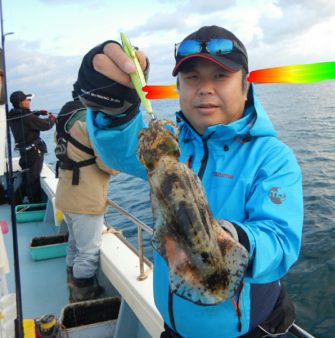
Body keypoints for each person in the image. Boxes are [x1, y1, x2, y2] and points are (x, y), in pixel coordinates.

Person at [74, 25, 303, 337]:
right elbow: (119, 151)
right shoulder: (167, 145)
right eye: (192, 77)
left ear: (245, 86)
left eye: (220, 76)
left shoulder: (272, 157)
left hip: (246, 329)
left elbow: (280, 240)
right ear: (178, 87)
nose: (205, 88)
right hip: (172, 326)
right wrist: (114, 110)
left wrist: (225, 238)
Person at [54, 93, 118, 302]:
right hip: (86, 198)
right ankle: (83, 297)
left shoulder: (65, 114)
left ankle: (72, 287)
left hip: (66, 194)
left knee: (74, 245)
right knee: (88, 253)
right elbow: (107, 165)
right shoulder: (87, 119)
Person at [8, 91, 55, 203]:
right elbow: (47, 125)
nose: (28, 102)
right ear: (21, 102)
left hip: (24, 153)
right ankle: (36, 204)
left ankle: (14, 201)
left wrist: (37, 112)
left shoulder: (11, 115)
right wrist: (52, 117)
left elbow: (24, 115)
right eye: (26, 100)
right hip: (34, 152)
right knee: (33, 180)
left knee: (27, 178)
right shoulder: (27, 117)